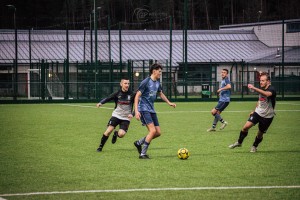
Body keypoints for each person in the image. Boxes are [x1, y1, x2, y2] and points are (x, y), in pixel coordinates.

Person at [133, 63, 176, 159]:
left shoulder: (157, 82)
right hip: (144, 109)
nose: (160, 73)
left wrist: (169, 103)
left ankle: (139, 142)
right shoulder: (146, 82)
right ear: (154, 71)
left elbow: (160, 94)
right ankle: (142, 154)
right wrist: (136, 111)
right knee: (152, 131)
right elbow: (137, 96)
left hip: (152, 110)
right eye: (159, 72)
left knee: (158, 133)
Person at [229, 72, 276, 152]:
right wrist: (254, 111)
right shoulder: (261, 88)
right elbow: (260, 101)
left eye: (263, 81)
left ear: (268, 82)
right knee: (245, 127)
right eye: (260, 80)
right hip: (258, 113)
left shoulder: (272, 89)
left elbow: (266, 94)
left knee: (260, 134)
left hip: (267, 117)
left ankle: (254, 146)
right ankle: (239, 142)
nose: (261, 82)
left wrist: (254, 88)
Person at [96, 78, 135, 152]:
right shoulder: (117, 93)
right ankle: (100, 147)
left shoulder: (132, 94)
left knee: (121, 135)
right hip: (116, 115)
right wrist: (100, 103)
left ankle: (116, 133)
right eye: (125, 83)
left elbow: (137, 106)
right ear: (121, 84)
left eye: (128, 83)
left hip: (126, 118)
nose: (127, 85)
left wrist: (132, 114)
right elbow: (108, 98)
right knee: (108, 131)